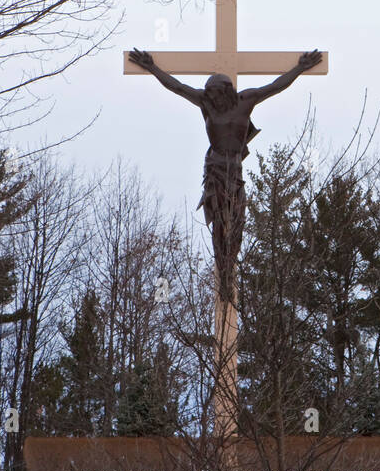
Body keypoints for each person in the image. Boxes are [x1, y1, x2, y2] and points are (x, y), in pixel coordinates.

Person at [128, 49, 323, 302]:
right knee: (220, 225)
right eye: (209, 94)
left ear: (225, 91)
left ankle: (230, 269)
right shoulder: (206, 103)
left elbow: (276, 86)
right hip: (215, 172)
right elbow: (177, 86)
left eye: (215, 93)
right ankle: (225, 277)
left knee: (238, 223)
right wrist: (152, 68)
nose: (211, 98)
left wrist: (300, 68)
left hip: (236, 173)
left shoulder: (246, 100)